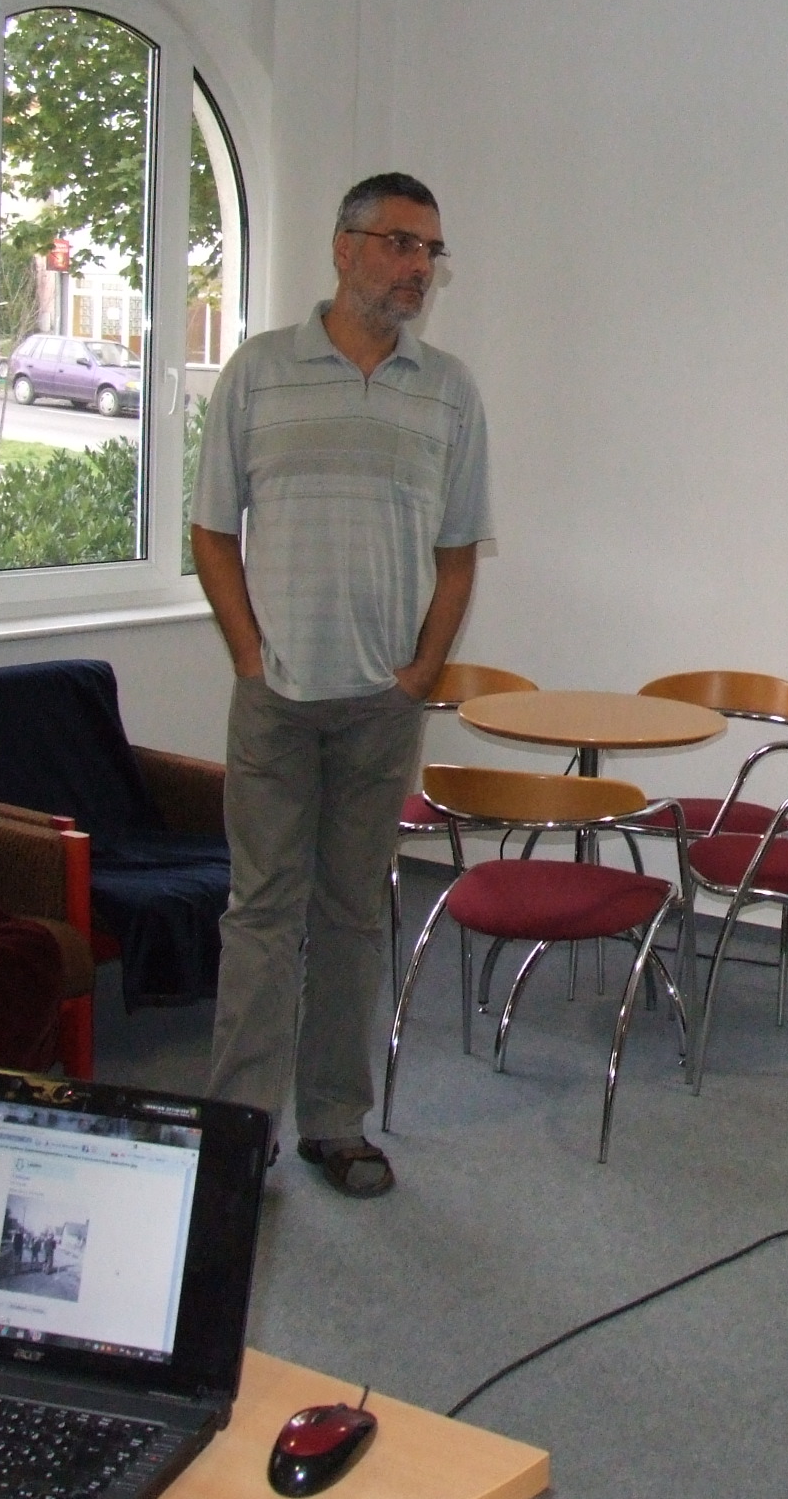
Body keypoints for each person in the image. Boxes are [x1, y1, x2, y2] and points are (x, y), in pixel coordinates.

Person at [190, 171, 491, 1199]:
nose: (419, 268)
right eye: (402, 244)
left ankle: (334, 1123)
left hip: (380, 707)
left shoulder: (448, 391)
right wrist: (247, 653)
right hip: (275, 699)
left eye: (431, 251)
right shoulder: (260, 372)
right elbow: (211, 529)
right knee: (261, 916)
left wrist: (420, 675)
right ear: (345, 246)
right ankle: (239, 1130)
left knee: (356, 915)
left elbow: (459, 553)